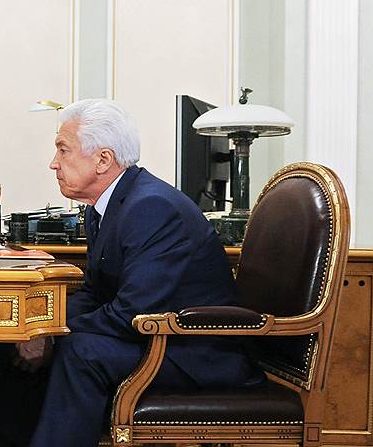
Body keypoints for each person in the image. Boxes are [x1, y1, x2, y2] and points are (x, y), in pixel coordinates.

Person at [26, 99, 263, 447]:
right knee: (15, 345)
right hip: (156, 338)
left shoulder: (151, 207)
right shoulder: (103, 207)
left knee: (80, 351)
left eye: (63, 150)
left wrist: (50, 333)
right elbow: (94, 293)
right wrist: (35, 326)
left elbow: (133, 312)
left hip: (196, 351)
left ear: (103, 160)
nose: (53, 163)